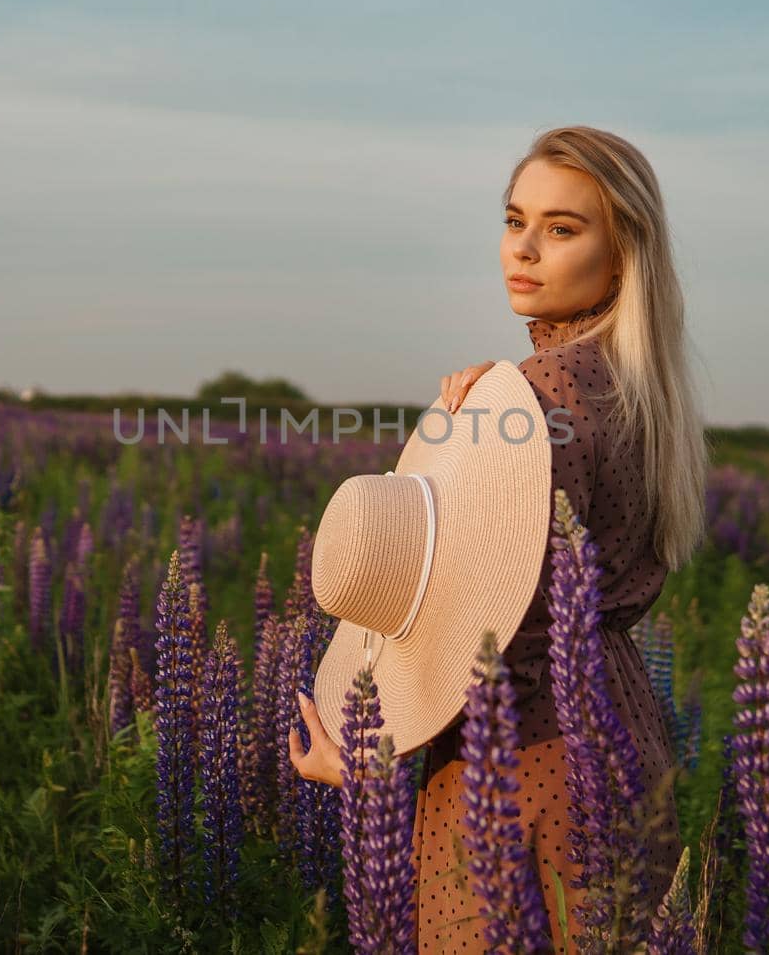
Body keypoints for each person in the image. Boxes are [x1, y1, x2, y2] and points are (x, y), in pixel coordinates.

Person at [290, 125, 710, 952]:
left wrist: (370, 748)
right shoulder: (635, 387)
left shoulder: (537, 393)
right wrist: (481, 426)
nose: (524, 248)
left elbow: (484, 625)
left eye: (562, 228)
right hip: (624, 736)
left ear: (623, 254)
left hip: (516, 761)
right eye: (515, 219)